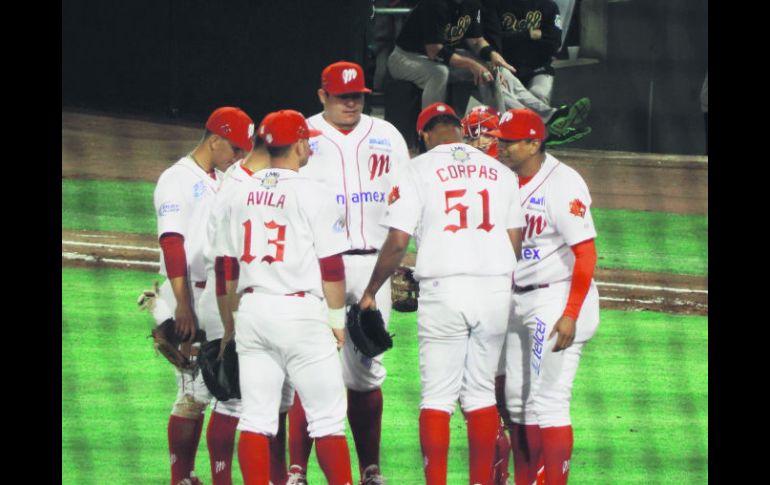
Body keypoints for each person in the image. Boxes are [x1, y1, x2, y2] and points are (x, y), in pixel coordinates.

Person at [358, 101, 526, 485]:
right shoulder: (501, 172)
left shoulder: (416, 169)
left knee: (436, 399)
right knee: (481, 395)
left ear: (424, 135)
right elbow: (514, 241)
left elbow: (398, 241)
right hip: (495, 290)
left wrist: (371, 290)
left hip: (444, 291)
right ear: (460, 129)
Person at [284, 60, 410, 485]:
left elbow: (406, 203)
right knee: (310, 369)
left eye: (357, 95)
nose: (352, 103)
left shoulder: (387, 135)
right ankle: (297, 471)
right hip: (318, 268)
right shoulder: (301, 134)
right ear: (322, 96)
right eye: (342, 96)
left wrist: (403, 263)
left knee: (365, 371)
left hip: (375, 265)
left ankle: (370, 470)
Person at [214, 109, 355, 485]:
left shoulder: (236, 189)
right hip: (300, 316)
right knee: (327, 420)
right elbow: (333, 268)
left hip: (253, 312)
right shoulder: (314, 193)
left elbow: (227, 268)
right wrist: (337, 322)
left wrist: (230, 325)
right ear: (299, 145)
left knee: (255, 419)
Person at [487, 108, 600, 485]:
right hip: (517, 302)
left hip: (556, 301)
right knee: (518, 404)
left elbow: (586, 253)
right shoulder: (504, 178)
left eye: (508, 142)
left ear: (534, 143)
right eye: (499, 140)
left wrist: (570, 313)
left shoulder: (563, 184)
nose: (499, 147)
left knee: (549, 402)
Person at [151, 106, 255, 485]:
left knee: (211, 390)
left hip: (211, 296)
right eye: (235, 147)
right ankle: (183, 477)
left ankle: (189, 477)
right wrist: (182, 305)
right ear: (214, 139)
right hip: (186, 296)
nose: (240, 155)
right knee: (200, 393)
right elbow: (172, 242)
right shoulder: (175, 179)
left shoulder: (219, 178)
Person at [195, 133, 297, 485]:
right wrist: (230, 324)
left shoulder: (255, 182)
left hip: (254, 300)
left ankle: (277, 477)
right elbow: (226, 263)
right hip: (230, 299)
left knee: (276, 401)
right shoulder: (237, 187)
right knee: (232, 399)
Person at [481, 0, 592, 146]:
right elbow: (497, 41)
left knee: (538, 94)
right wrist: (530, 34)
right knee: (503, 92)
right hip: (508, 66)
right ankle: (552, 124)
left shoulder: (548, 6)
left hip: (538, 68)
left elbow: (554, 44)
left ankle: (543, 134)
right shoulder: (497, 4)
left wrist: (516, 36)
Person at [386, 0, 517, 110]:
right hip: (404, 57)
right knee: (439, 73)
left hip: (439, 56)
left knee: (488, 71)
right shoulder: (434, 4)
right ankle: (432, 129)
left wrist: (492, 55)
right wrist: (471, 64)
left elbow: (476, 40)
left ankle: (493, 127)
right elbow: (434, 51)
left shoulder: (472, 4)